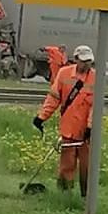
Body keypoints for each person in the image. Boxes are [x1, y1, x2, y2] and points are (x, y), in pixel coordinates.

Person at [33, 45, 96, 195]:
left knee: (87, 166)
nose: (86, 64)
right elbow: (54, 98)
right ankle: (64, 193)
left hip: (87, 133)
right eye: (83, 61)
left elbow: (96, 106)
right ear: (76, 59)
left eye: (89, 61)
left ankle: (86, 196)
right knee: (66, 164)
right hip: (68, 128)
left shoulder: (96, 78)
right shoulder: (64, 74)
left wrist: (90, 126)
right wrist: (41, 117)